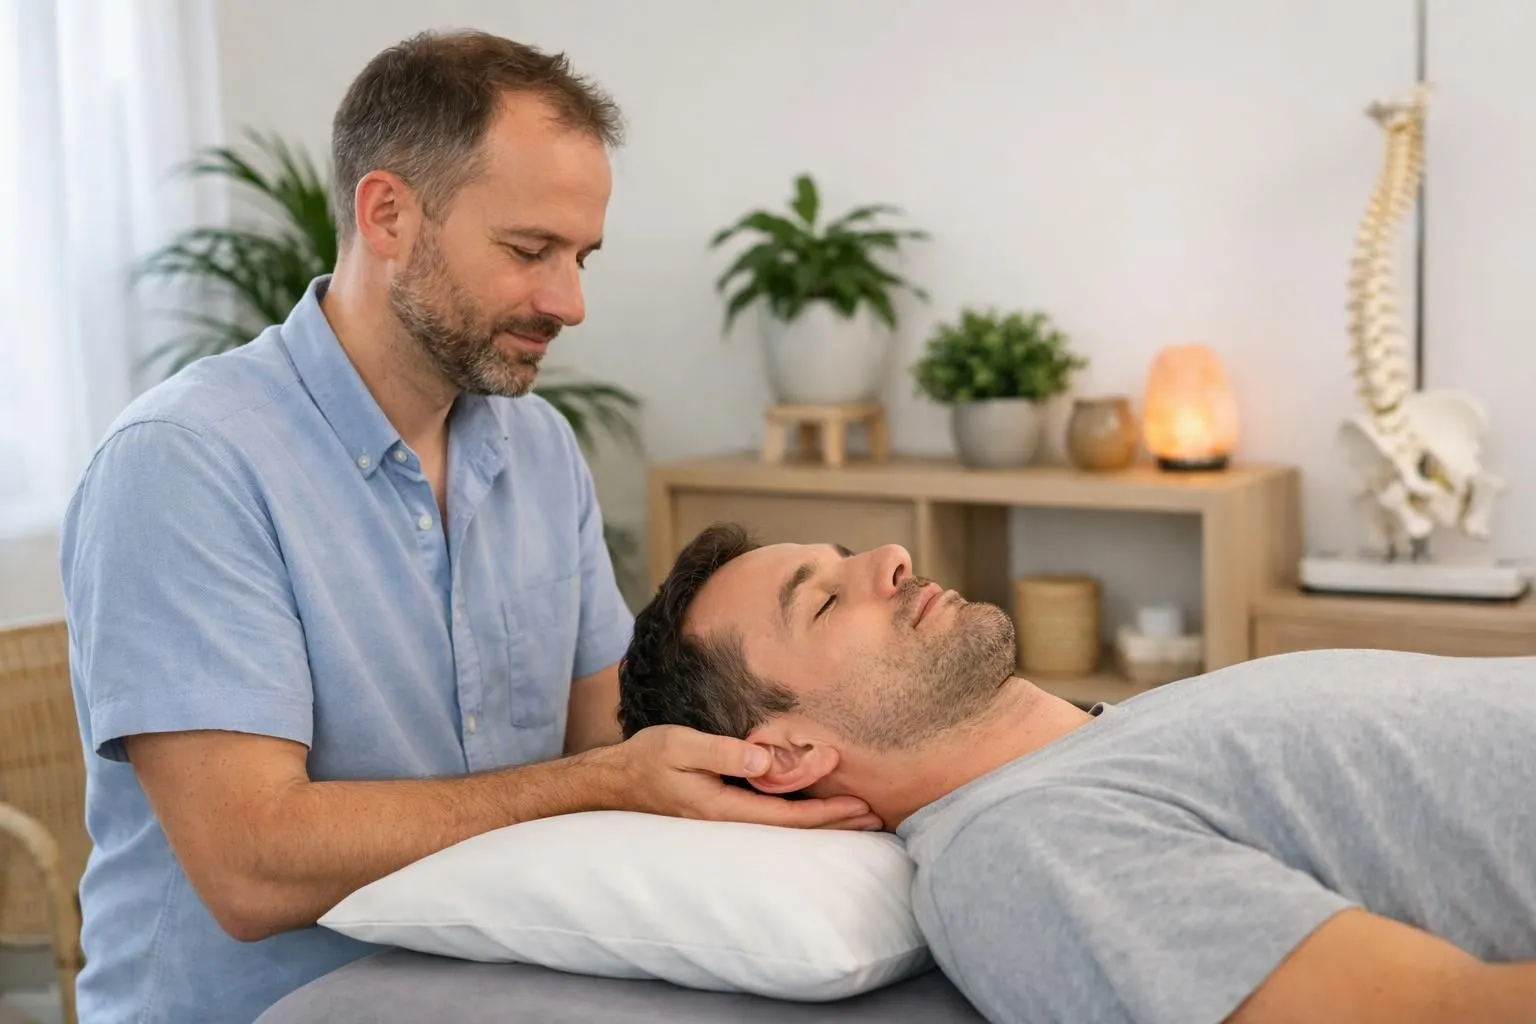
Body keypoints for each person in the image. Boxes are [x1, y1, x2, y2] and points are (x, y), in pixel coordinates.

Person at [58, 32, 876, 1024]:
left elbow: (609, 738)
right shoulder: (187, 463)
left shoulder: (539, 450)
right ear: (388, 215)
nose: (569, 301)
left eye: (581, 257)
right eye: (529, 251)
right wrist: (600, 784)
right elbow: (250, 865)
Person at [617, 521, 1536, 1024]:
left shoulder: (1125, 732)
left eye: (845, 556)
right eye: (823, 602)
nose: (890, 559)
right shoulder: (1018, 848)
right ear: (785, 756)